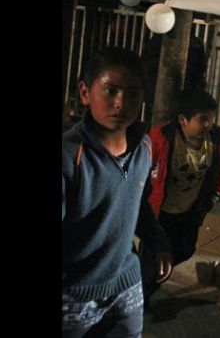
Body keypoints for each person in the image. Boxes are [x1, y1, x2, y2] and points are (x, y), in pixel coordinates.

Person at [62, 47, 173, 337]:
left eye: (132, 94)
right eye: (110, 91)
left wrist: (158, 242)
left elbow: (137, 204)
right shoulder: (69, 156)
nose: (121, 103)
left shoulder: (144, 147)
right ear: (85, 93)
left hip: (126, 283)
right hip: (75, 292)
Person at [140, 89, 220, 299]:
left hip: (190, 211)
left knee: (185, 250)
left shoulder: (216, 142)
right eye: (202, 119)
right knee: (152, 259)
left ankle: (146, 286)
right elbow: (142, 166)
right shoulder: (162, 137)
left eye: (211, 118)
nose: (208, 124)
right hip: (160, 212)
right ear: (183, 120)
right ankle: (139, 300)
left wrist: (216, 193)